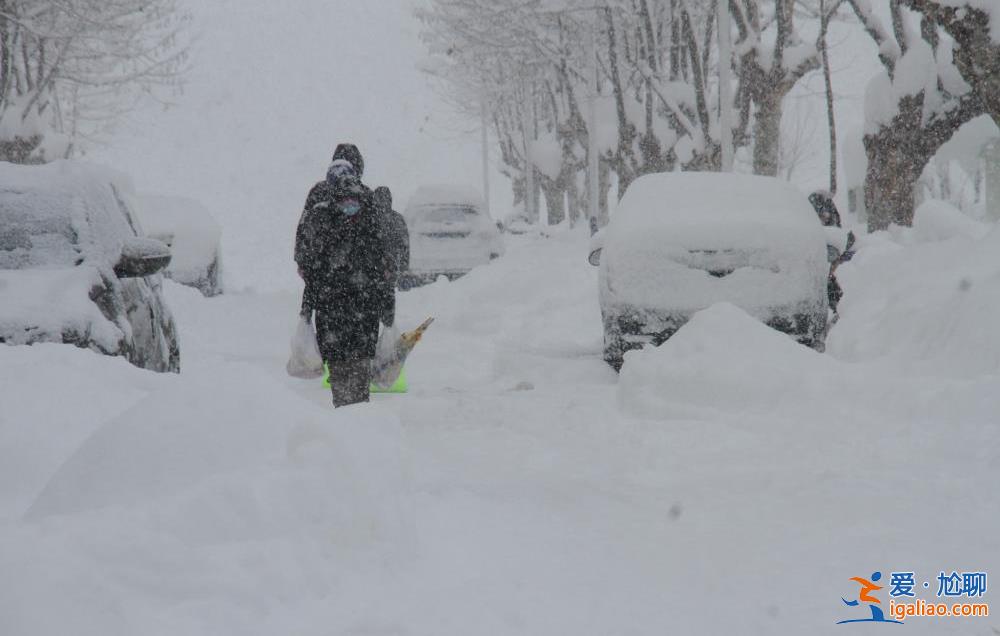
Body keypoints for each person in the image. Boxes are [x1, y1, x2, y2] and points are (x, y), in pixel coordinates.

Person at [294, 143, 392, 407]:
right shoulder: (367, 198)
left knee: (338, 364)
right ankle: (359, 407)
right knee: (360, 361)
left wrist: (309, 302)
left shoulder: (318, 198)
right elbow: (382, 253)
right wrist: (386, 307)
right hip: (365, 302)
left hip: (330, 302)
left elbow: (304, 252)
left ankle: (344, 407)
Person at [372, 186, 409, 309]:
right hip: (389, 267)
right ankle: (388, 324)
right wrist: (403, 268)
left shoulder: (369, 218)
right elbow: (404, 246)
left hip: (374, 266)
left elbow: (404, 246)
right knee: (387, 297)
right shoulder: (397, 219)